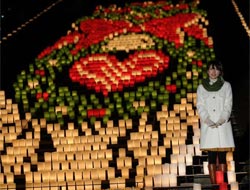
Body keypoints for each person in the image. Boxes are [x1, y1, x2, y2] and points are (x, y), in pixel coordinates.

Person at [196, 60, 235, 184]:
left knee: (223, 156)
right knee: (211, 156)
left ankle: (222, 183)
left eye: (216, 69)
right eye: (211, 69)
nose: (213, 72)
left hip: (223, 125)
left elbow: (228, 103)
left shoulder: (226, 85)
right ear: (207, 71)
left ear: (220, 71)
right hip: (209, 126)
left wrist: (223, 118)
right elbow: (200, 104)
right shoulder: (201, 87)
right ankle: (214, 184)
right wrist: (206, 119)